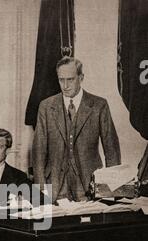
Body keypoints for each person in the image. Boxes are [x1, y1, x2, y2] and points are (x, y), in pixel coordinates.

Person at [32, 56, 121, 203]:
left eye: (70, 79)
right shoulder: (46, 106)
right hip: (55, 186)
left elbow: (111, 150)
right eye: (61, 80)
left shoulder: (99, 105)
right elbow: (38, 151)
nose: (65, 85)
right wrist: (41, 190)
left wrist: (112, 189)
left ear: (81, 77)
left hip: (88, 184)